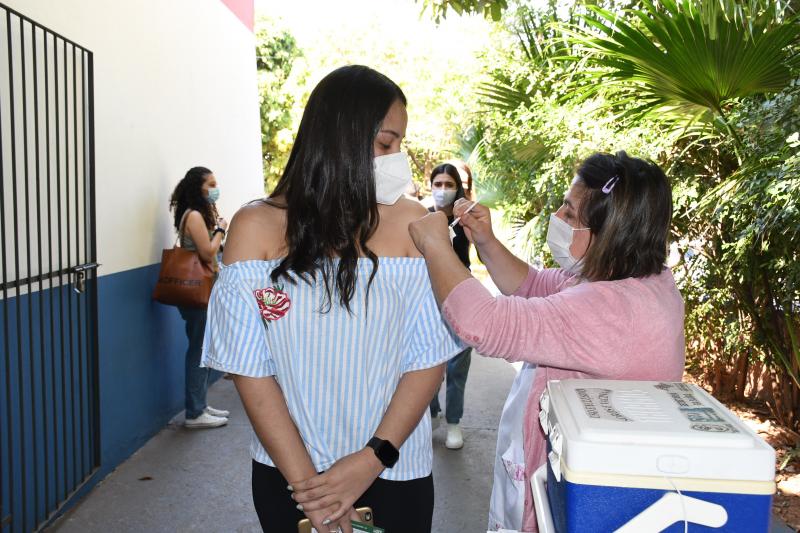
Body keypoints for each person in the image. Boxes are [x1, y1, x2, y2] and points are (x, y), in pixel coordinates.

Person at [201, 66, 461, 533]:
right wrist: (311, 491)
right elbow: (250, 368)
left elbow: (428, 357)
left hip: (394, 468)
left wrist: (371, 459)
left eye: (400, 144)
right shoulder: (255, 227)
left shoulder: (413, 225)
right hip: (290, 475)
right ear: (338, 138)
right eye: (385, 144)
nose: (396, 159)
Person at [408, 151, 685, 532]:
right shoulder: (632, 282)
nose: (558, 218)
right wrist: (486, 242)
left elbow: (484, 324)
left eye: (570, 215)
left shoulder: (611, 310)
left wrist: (436, 246)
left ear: (610, 233)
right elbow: (536, 286)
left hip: (571, 498)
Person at [168, 166, 230, 429]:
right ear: (198, 187)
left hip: (202, 292)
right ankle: (194, 413)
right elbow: (207, 253)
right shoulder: (193, 216)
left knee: (202, 349)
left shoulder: (193, 214)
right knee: (198, 351)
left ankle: (200, 405)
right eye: (211, 184)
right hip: (199, 293)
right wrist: (220, 230)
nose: (215, 189)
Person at [428, 162, 472, 449]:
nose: (443, 190)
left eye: (449, 184)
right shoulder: (423, 218)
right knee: (426, 359)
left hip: (461, 295)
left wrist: (468, 220)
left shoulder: (466, 217)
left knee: (457, 364)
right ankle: (431, 413)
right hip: (429, 295)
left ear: (458, 188)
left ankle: (453, 423)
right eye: (438, 184)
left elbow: (481, 252)